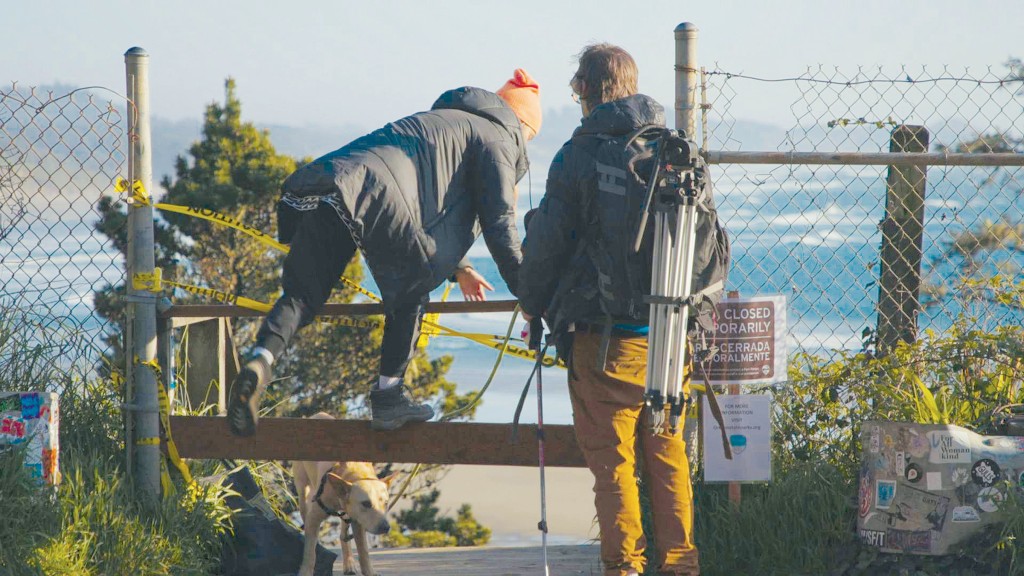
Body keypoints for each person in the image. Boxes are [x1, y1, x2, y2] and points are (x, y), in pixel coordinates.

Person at [228, 69, 542, 436]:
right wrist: (529, 293)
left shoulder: (446, 122)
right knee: (412, 289)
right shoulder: (499, 137)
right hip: (379, 193)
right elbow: (499, 221)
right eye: (528, 137)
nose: (524, 144)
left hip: (333, 180)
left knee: (302, 294)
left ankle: (260, 360)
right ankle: (389, 396)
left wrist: (461, 267)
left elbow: (434, 201)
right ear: (519, 120)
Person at [518, 45, 700, 576]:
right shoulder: (678, 151)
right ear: (633, 87)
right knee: (668, 458)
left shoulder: (577, 157)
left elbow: (547, 248)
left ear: (584, 92)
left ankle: (624, 569)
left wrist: (532, 305)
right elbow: (709, 250)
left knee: (614, 467)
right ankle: (682, 567)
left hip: (604, 342)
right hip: (670, 337)